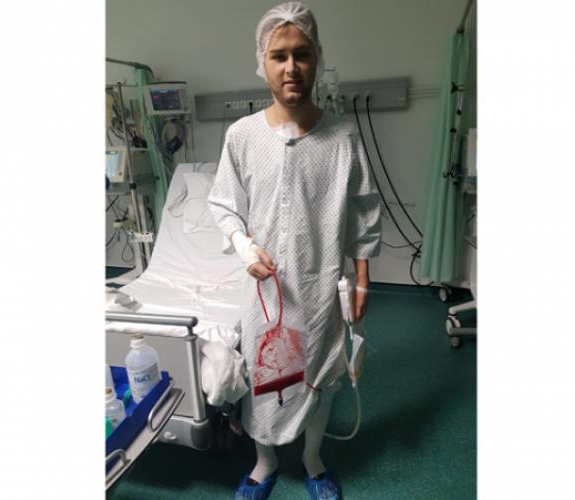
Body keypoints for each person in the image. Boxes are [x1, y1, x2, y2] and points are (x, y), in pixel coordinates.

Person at [207, 3, 382, 499]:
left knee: (320, 375)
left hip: (321, 283)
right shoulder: (242, 136)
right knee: (266, 373)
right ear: (261, 63)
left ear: (317, 58)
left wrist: (362, 278)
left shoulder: (343, 136)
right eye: (278, 56)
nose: (291, 67)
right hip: (266, 291)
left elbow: (363, 209)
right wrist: (244, 247)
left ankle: (312, 458)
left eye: (301, 54)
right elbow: (224, 204)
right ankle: (263, 462)